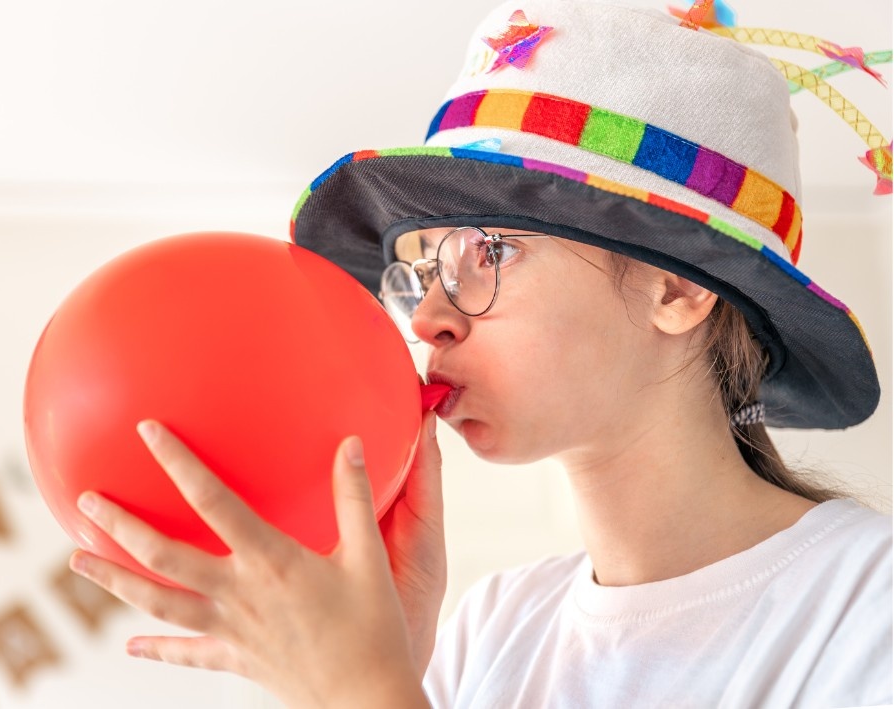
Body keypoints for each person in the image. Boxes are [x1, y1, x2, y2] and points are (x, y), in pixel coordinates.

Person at [68, 0, 892, 706]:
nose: (426, 317)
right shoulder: (494, 625)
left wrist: (367, 694)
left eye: (485, 252)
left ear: (675, 290)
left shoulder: (866, 602)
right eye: (420, 268)